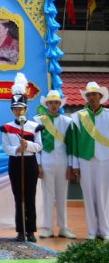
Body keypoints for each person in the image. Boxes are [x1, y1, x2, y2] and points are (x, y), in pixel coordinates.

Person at [0, 73, 42, 242]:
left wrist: (28, 146)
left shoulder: (35, 126)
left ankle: (31, 230)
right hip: (15, 162)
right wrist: (17, 148)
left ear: (26, 109)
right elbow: (5, 147)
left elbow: (39, 146)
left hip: (30, 162)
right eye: (15, 109)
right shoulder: (7, 127)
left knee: (30, 196)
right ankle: (20, 231)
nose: (18, 111)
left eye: (21, 108)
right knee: (19, 197)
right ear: (12, 110)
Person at [70, 81, 109, 240]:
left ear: (101, 96)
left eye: (94, 94)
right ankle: (92, 231)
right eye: (89, 95)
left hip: (105, 159)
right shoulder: (77, 117)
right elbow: (74, 142)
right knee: (88, 194)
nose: (91, 97)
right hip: (85, 159)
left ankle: (105, 230)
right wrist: (75, 164)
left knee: (105, 196)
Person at [35, 90, 76, 239]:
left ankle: (63, 227)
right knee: (47, 195)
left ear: (60, 104)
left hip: (63, 160)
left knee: (62, 195)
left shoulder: (67, 122)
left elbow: (71, 145)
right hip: (46, 160)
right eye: (50, 103)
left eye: (56, 103)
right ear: (46, 104)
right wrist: (38, 165)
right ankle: (48, 228)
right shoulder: (38, 120)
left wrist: (71, 166)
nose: (53, 105)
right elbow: (37, 145)